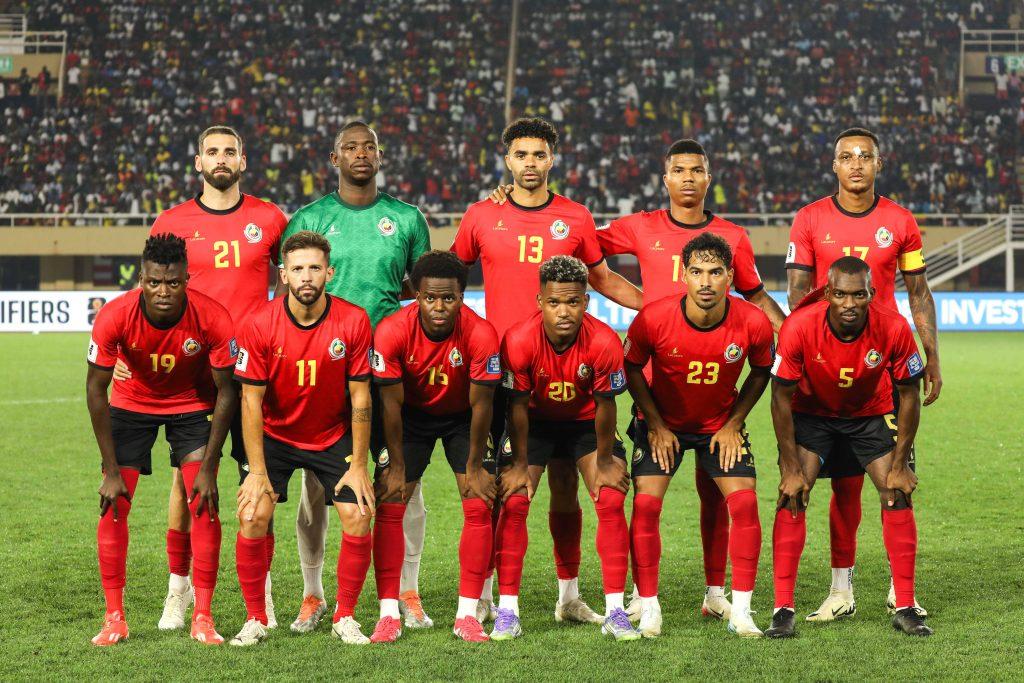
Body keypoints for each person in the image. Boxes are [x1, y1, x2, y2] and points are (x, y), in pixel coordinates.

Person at [452, 117, 642, 625]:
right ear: (507, 160)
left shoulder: (575, 217)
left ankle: (569, 597)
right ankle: (491, 597)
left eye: (539, 155)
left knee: (565, 490)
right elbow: (450, 277)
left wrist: (655, 308)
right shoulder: (480, 214)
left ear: (552, 159)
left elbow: (600, 278)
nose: (530, 163)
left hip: (568, 371)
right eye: (521, 155)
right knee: (503, 492)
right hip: (502, 374)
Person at [115, 125, 287, 631]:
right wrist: (126, 348)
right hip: (193, 373)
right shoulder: (171, 221)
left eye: (229, 151)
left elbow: (294, 277)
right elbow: (148, 289)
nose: (221, 159)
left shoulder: (270, 217)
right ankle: (179, 592)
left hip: (255, 371)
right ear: (197, 162)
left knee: (259, 479)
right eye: (212, 151)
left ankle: (263, 597)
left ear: (243, 160)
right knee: (183, 482)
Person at [281, 120, 433, 632]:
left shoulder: (407, 218)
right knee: (315, 486)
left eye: (369, 146)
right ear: (334, 157)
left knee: (403, 483)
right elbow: (288, 295)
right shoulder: (310, 217)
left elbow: (422, 293)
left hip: (389, 373)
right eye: (350, 147)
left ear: (381, 154)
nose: (360, 154)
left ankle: (408, 590)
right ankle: (312, 594)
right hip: (322, 372)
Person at [785, 127, 941, 620]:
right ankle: (840, 590)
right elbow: (797, 294)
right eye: (847, 157)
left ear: (878, 164)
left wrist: (930, 352)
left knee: (896, 476)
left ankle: (902, 591)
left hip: (883, 369)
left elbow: (918, 292)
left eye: (865, 157)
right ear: (834, 165)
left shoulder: (900, 220)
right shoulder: (810, 219)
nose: (856, 165)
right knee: (843, 487)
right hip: (826, 367)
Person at [229, 231, 382, 646]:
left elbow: (361, 398)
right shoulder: (259, 323)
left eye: (315, 267)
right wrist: (257, 471)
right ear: (284, 274)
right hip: (275, 436)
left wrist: (360, 467)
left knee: (358, 515)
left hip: (332, 435)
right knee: (252, 515)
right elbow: (250, 402)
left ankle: (345, 616)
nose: (307, 276)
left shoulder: (353, 320)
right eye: (297, 269)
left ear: (329, 272)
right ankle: (256, 618)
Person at [766, 256, 932, 638]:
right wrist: (791, 467)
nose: (849, 304)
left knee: (896, 492)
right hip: (812, 414)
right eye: (839, 294)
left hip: (870, 414)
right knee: (793, 494)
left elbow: (908, 396)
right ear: (827, 293)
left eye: (858, 295)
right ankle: (782, 609)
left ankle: (905, 605)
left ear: (871, 294)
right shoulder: (799, 327)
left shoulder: (892, 327)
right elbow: (779, 398)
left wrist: (902, 461)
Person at [86, 234, 238, 646]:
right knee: (114, 502)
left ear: (187, 279)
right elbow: (96, 390)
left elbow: (228, 391)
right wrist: (111, 470)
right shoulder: (114, 316)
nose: (163, 291)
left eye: (172, 283)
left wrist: (209, 468)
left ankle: (202, 616)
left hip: (190, 406)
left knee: (204, 504)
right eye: (154, 282)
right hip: (132, 405)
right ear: (141, 279)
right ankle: (114, 617)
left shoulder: (212, 317)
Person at [623, 233, 774, 639]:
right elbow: (632, 367)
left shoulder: (753, 321)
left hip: (717, 427)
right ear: (683, 275)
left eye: (715, 272)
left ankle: (738, 609)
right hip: (663, 427)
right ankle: (649, 607)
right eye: (696, 272)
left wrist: (734, 423)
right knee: (647, 506)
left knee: (743, 505)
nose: (705, 282)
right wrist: (654, 424)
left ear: (729, 277)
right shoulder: (654, 318)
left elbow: (761, 371)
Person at [491, 255, 635, 641]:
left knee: (609, 498)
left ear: (586, 302)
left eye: (573, 302)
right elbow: (516, 406)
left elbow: (607, 405)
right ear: (539, 301)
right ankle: (507, 611)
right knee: (516, 498)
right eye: (554, 302)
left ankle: (612, 610)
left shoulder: (604, 341)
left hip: (585, 424)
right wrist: (520, 463)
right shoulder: (519, 339)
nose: (564, 311)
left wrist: (604, 460)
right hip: (534, 424)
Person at [372, 251, 502, 642]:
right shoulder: (392, 331)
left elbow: (482, 406)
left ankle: (467, 614)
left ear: (463, 296)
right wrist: (395, 465)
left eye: (449, 298)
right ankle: (388, 613)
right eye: (430, 298)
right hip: (408, 420)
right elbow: (390, 406)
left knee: (479, 502)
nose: (440, 307)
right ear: (416, 294)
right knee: (391, 500)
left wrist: (476, 465)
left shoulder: (481, 334)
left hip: (463, 418)